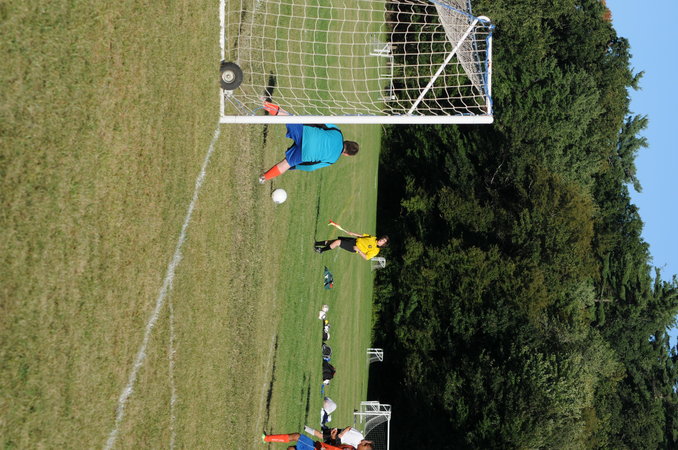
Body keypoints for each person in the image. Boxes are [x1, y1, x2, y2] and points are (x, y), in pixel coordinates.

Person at [258, 103, 359, 183]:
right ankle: (263, 178)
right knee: (286, 164)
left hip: (307, 133)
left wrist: (303, 121)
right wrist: (296, 165)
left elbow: (322, 122)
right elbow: (311, 167)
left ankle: (263, 103)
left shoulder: (338, 132)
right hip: (306, 153)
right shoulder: (333, 160)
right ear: (346, 154)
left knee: (287, 116)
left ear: (347, 141)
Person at [262, 427, 374, 450]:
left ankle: (266, 438)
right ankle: (267, 438)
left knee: (296, 436)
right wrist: (333, 437)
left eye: (364, 445)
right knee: (292, 449)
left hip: (317, 448)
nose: (362, 443)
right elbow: (335, 446)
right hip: (319, 446)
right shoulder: (351, 447)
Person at [315, 229, 389, 261]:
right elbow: (362, 236)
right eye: (382, 239)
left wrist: (359, 250)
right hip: (353, 240)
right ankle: (316, 243)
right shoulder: (374, 238)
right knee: (333, 242)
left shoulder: (376, 250)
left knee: (337, 242)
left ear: (383, 244)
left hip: (354, 247)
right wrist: (352, 233)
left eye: (383, 241)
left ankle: (321, 250)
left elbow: (366, 257)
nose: (381, 240)